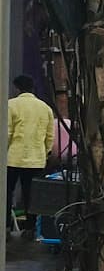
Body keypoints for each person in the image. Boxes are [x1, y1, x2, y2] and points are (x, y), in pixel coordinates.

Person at [7, 75, 54, 236]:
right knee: (31, 195)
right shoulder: (45, 108)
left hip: (12, 158)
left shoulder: (11, 105)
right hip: (36, 159)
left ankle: (5, 226)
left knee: (6, 193)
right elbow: (50, 136)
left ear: (17, 88)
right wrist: (45, 152)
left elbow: (7, 133)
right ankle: (30, 227)